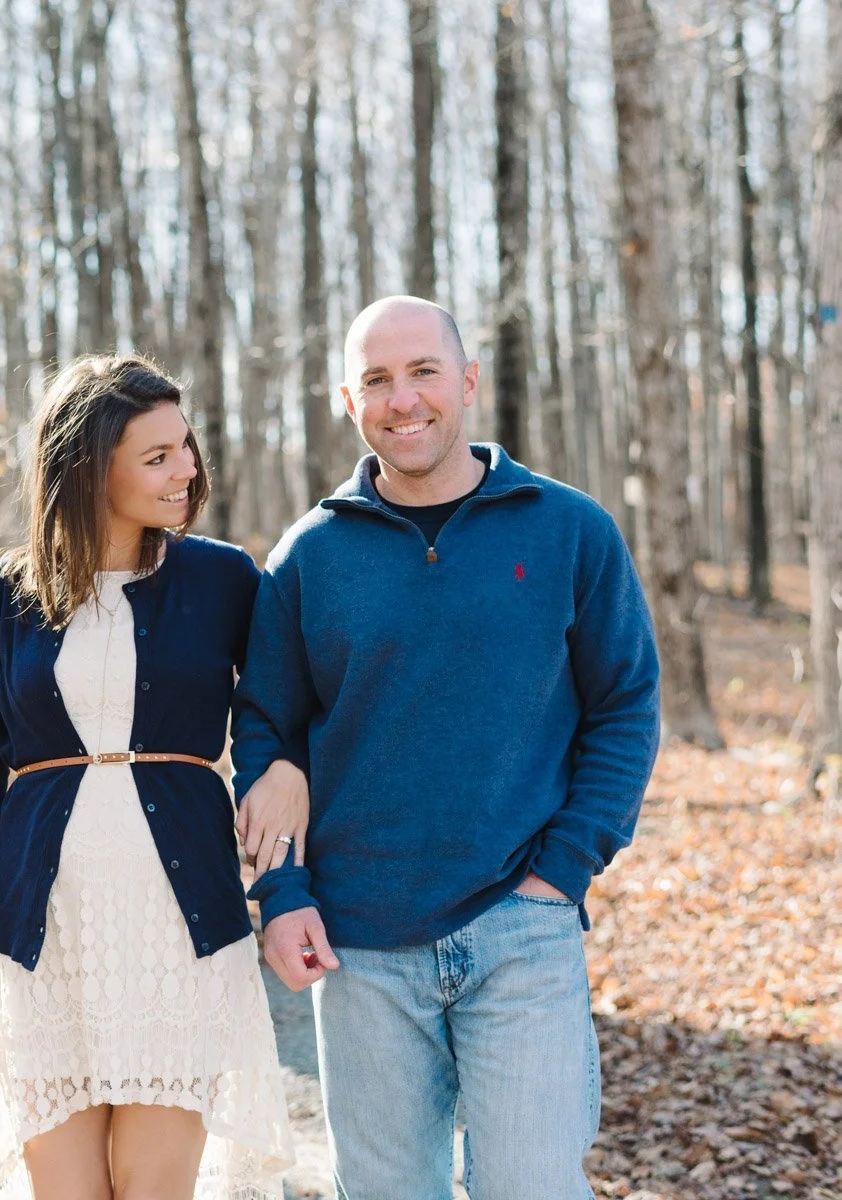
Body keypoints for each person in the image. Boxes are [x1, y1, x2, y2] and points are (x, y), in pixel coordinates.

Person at [231, 296, 662, 1199]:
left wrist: (564, 871)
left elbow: (624, 704)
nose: (404, 398)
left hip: (522, 925)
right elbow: (265, 732)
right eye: (377, 380)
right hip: (360, 945)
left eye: (423, 370)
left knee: (533, 1187)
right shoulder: (307, 557)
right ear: (350, 401)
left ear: (466, 381)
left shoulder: (568, 530)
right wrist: (281, 893)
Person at [0, 353, 304, 1200]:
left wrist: (284, 770)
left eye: (186, 447)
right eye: (158, 456)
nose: (188, 470)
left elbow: (285, 714)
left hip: (176, 933)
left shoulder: (223, 579)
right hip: (42, 939)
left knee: (152, 1187)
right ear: (90, 466)